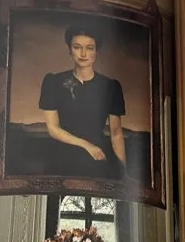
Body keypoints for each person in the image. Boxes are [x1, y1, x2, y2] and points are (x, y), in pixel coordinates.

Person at [38, 25, 126, 179]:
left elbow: (116, 133)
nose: (83, 54)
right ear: (69, 49)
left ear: (96, 51)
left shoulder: (111, 86)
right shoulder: (53, 82)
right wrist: (86, 145)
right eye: (77, 47)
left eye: (90, 48)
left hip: (99, 155)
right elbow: (53, 128)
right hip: (63, 157)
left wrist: (123, 173)